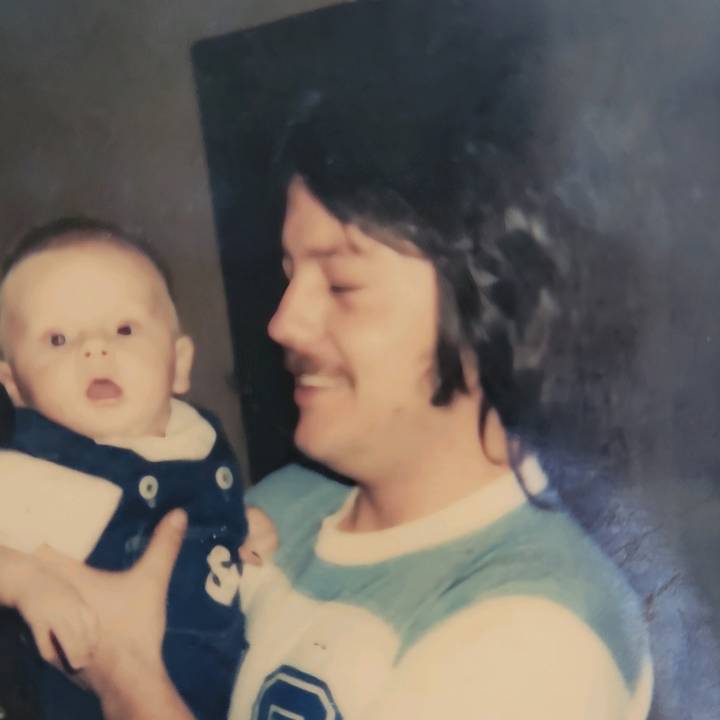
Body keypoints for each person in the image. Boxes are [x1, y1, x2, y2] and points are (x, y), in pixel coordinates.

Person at [37, 106, 653, 719]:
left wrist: (122, 674)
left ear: (490, 309)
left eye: (340, 285)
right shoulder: (269, 514)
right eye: (288, 275)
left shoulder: (540, 631)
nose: (283, 323)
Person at [0, 218, 274, 720]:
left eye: (124, 329)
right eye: (58, 339)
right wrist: (24, 581)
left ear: (179, 362)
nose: (95, 348)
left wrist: (239, 527)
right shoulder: (30, 466)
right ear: (14, 385)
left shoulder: (196, 439)